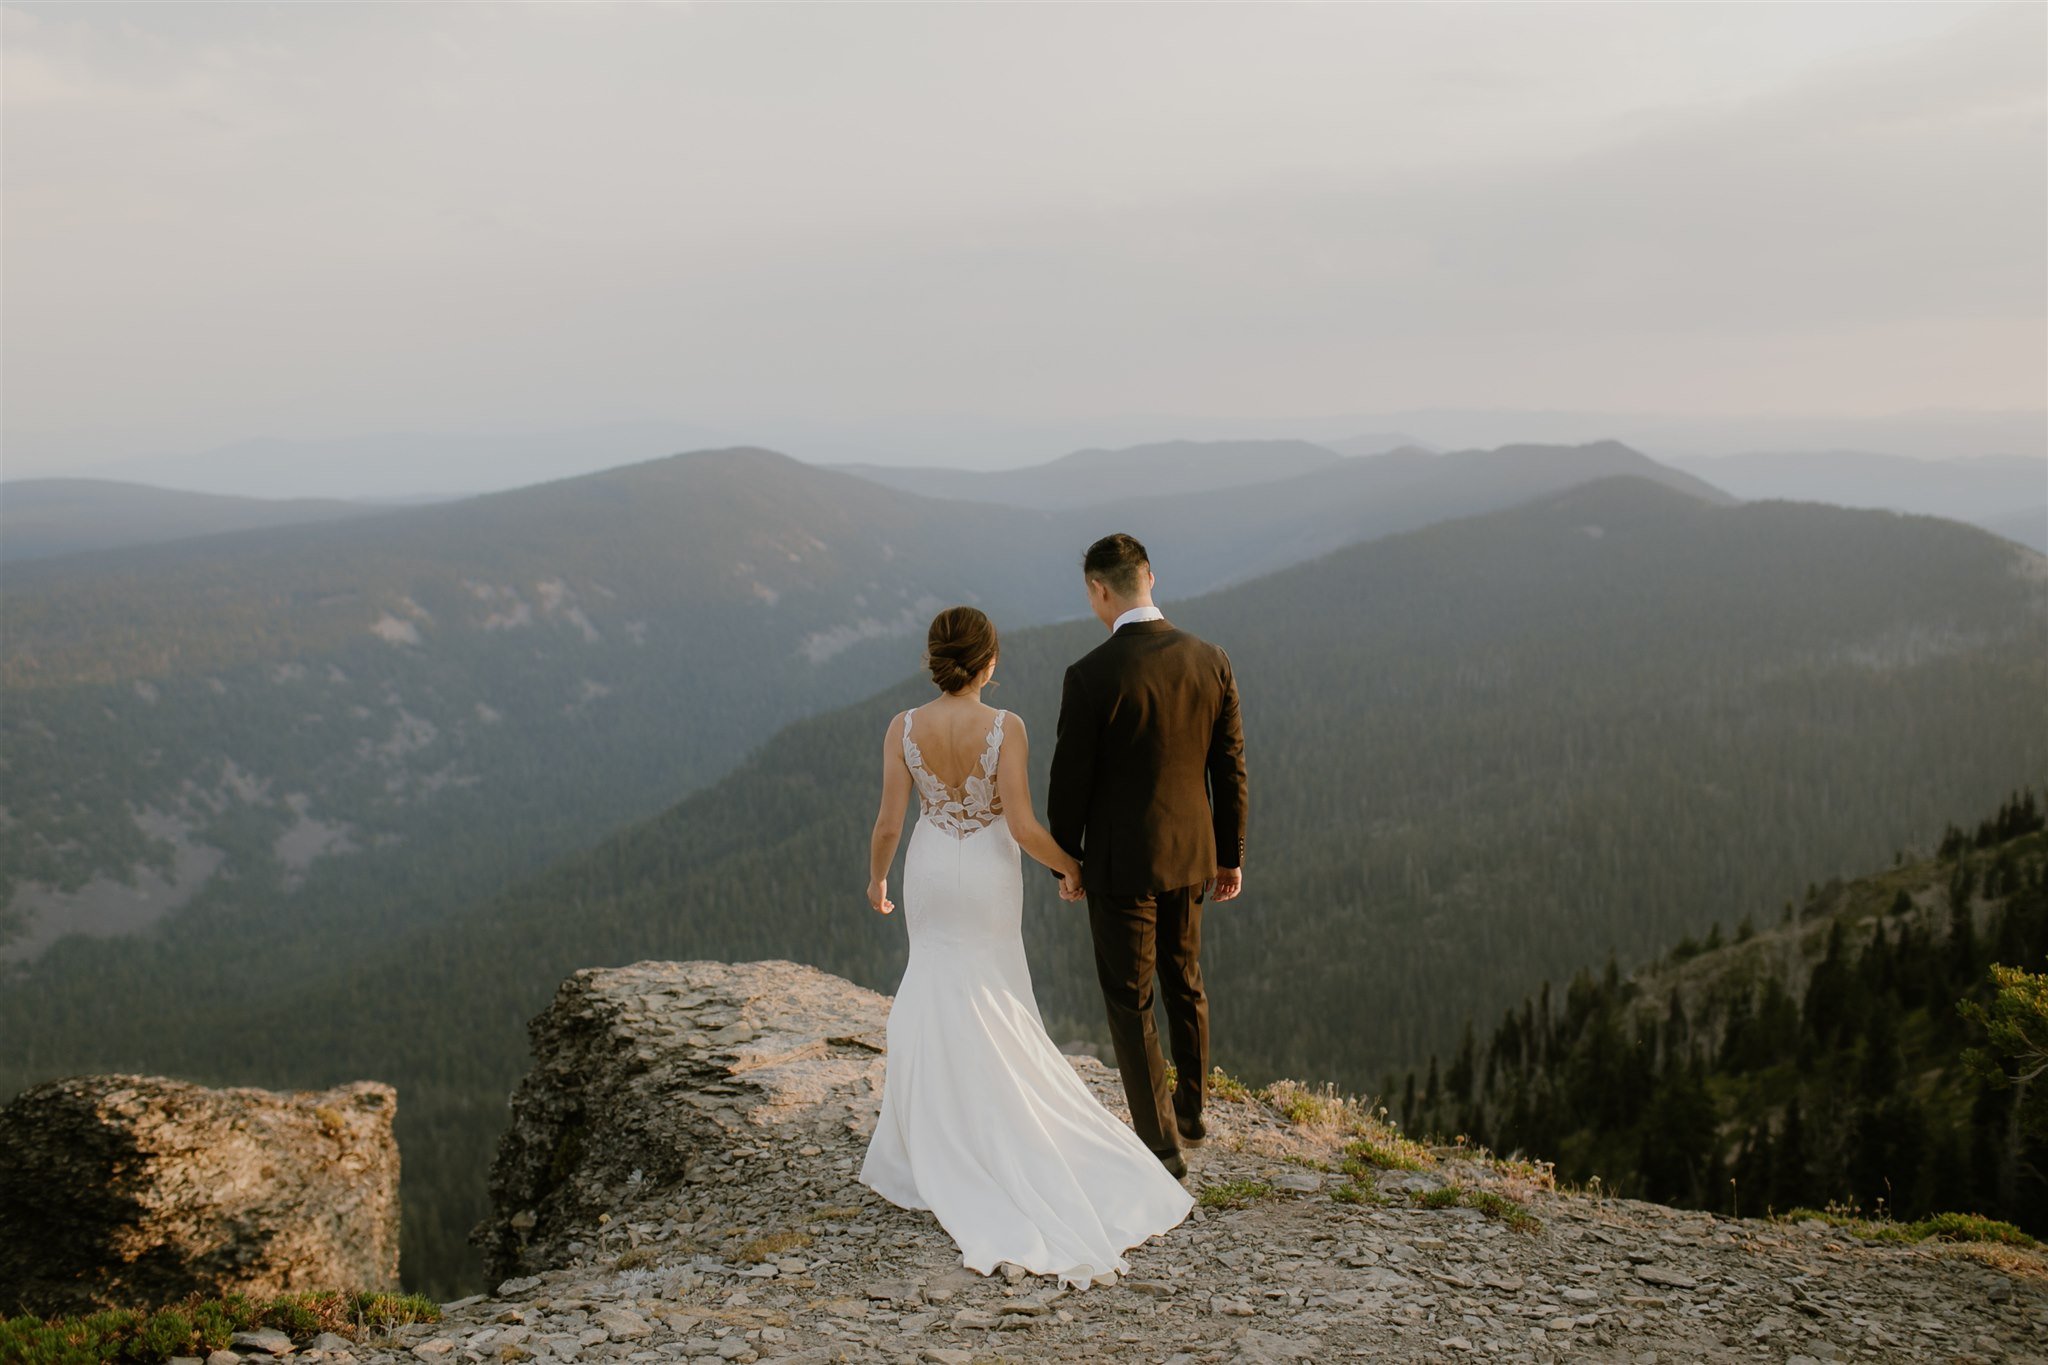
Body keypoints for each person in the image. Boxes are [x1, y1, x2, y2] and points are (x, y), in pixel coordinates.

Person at [858, 605, 1194, 1288]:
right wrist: (1069, 865)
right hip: (986, 870)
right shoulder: (1006, 727)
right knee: (994, 992)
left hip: (929, 866)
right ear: (989, 663)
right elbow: (1019, 821)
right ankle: (1004, 1126)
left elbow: (890, 819)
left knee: (932, 985)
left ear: (935, 660)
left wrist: (877, 877)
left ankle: (931, 1139)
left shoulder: (903, 727)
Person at [1048, 533, 1249, 1179]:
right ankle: (1191, 1109)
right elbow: (1231, 768)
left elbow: (1067, 787)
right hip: (1192, 855)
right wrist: (1230, 854)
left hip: (1121, 865)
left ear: (1099, 590)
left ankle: (1161, 1145)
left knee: (1130, 999)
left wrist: (1065, 861)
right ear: (1151, 578)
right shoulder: (1210, 658)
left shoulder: (1090, 675)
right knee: (1185, 980)